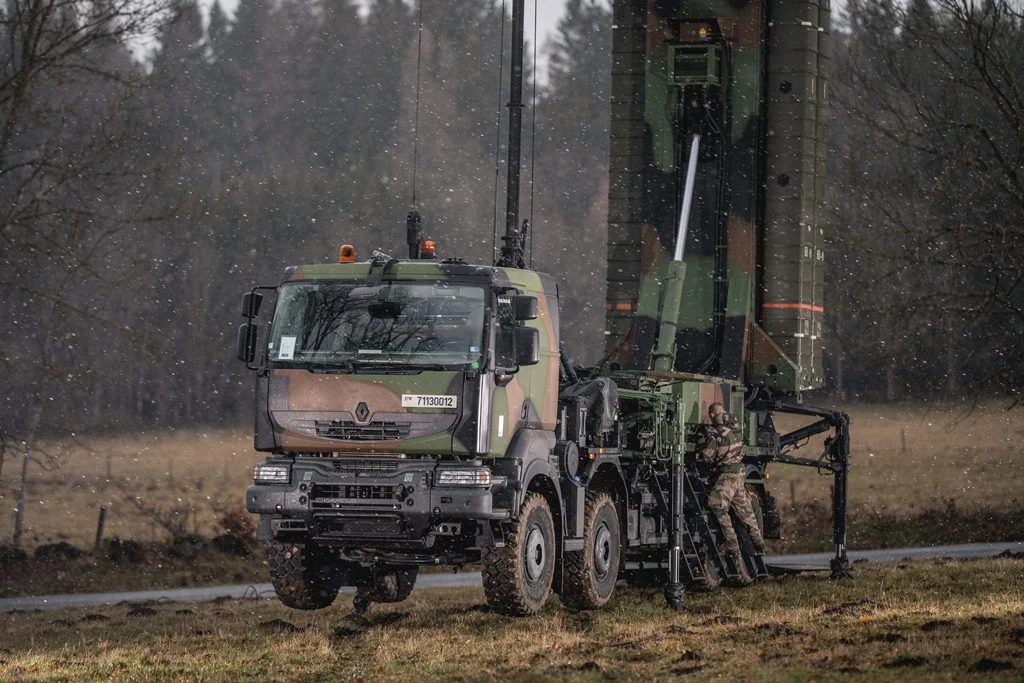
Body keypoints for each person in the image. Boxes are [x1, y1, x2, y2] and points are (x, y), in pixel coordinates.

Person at [697, 402, 766, 582]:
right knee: (746, 511)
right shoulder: (736, 427)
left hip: (727, 476)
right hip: (739, 475)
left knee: (717, 505)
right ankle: (758, 541)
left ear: (712, 415)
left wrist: (703, 443)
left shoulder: (717, 435)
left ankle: (731, 543)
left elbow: (707, 456)